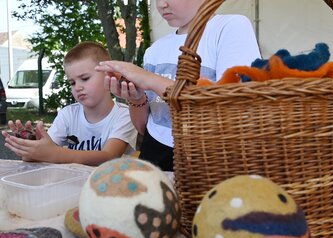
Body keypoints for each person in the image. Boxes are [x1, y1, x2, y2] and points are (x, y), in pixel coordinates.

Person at [95, 0, 261, 172]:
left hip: (209, 157)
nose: (161, 5)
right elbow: (145, 127)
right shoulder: (155, 50)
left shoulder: (230, 27)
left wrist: (150, 79)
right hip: (154, 154)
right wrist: (135, 98)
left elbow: (234, 106)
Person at [2, 41, 138, 166]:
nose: (77, 87)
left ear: (109, 76)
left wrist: (54, 153)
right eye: (72, 82)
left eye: (85, 78)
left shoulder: (125, 115)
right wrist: (31, 146)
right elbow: (44, 154)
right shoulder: (68, 114)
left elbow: (109, 157)